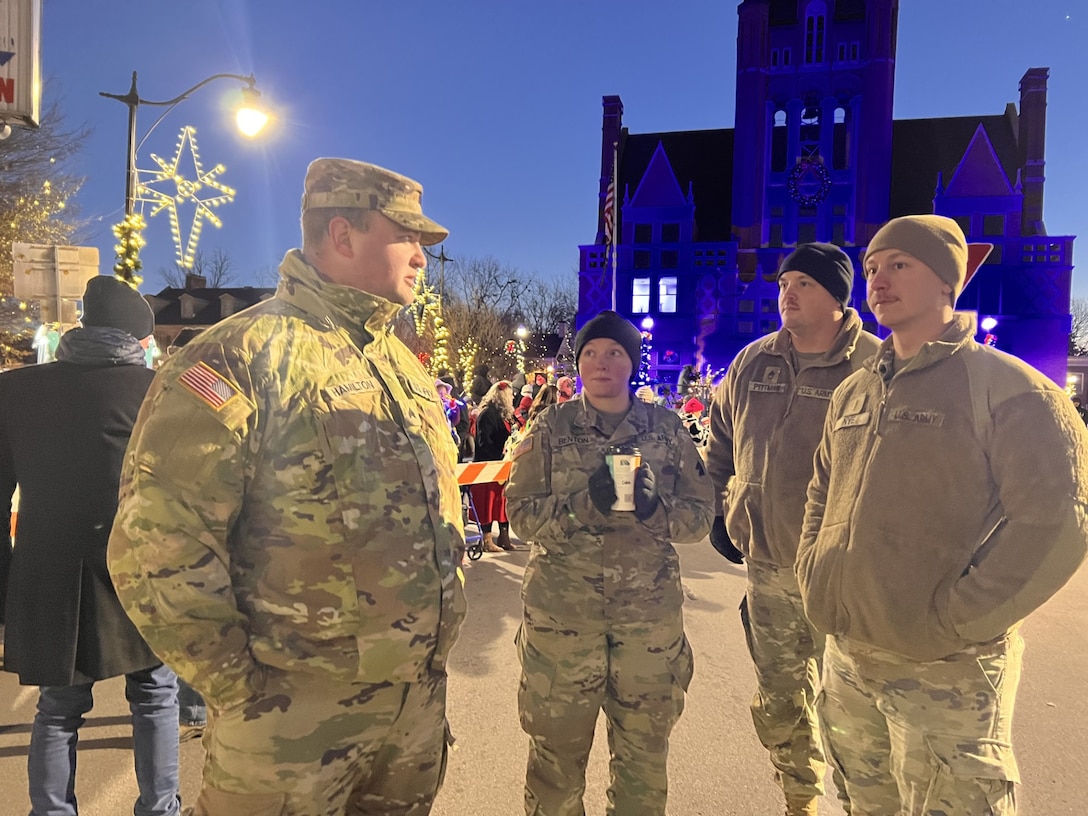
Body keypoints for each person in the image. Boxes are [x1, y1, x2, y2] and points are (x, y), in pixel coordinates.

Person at [107, 158, 467, 816]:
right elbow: (156, 543)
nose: (421, 256)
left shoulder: (402, 368)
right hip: (290, 735)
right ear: (343, 234)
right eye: (407, 236)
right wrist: (242, 691)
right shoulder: (241, 355)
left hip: (409, 720)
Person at [797, 215, 1088, 815]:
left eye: (899, 264)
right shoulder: (856, 391)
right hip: (849, 656)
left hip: (943, 671)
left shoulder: (1010, 389)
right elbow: (822, 491)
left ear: (947, 281)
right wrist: (812, 571)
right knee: (861, 805)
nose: (878, 279)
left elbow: (1057, 520)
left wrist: (958, 618)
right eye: (873, 267)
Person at [505, 310, 715, 816]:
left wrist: (655, 512)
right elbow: (520, 517)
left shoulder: (666, 431)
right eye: (591, 353)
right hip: (563, 627)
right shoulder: (550, 428)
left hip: (648, 629)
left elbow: (701, 517)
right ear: (578, 364)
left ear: (632, 361)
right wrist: (583, 504)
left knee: (643, 763)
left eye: (614, 352)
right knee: (556, 764)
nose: (601, 362)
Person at [704, 243, 880, 816]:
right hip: (769, 568)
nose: (788, 292)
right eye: (784, 283)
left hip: (843, 574)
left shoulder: (874, 366)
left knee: (854, 707)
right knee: (782, 697)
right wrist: (719, 504)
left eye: (803, 282)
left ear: (837, 296)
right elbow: (721, 442)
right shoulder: (753, 362)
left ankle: (857, 802)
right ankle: (799, 797)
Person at [0, 275, 181, 816]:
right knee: (154, 697)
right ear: (138, 336)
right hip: (142, 565)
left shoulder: (14, 389)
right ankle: (159, 808)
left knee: (57, 706)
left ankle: (51, 811)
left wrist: (4, 583)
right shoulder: (159, 390)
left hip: (49, 569)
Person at [471, 381, 518, 552]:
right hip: (488, 466)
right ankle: (487, 539)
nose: (512, 397)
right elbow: (485, 441)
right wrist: (498, 456)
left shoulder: (506, 414)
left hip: (503, 466)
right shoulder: (487, 414)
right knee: (488, 503)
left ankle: (504, 536)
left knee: (502, 502)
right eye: (510, 395)